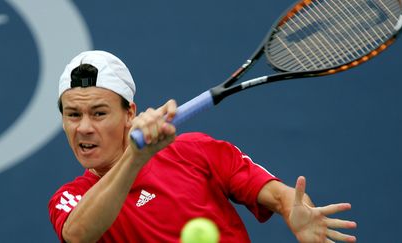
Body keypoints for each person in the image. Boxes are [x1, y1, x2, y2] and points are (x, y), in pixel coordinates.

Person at [48, 50, 357, 243]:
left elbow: (279, 196)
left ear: (129, 113)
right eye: (73, 115)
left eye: (99, 113)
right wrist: (135, 158)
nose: (84, 127)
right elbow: (78, 236)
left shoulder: (196, 152)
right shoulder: (70, 199)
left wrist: (294, 211)